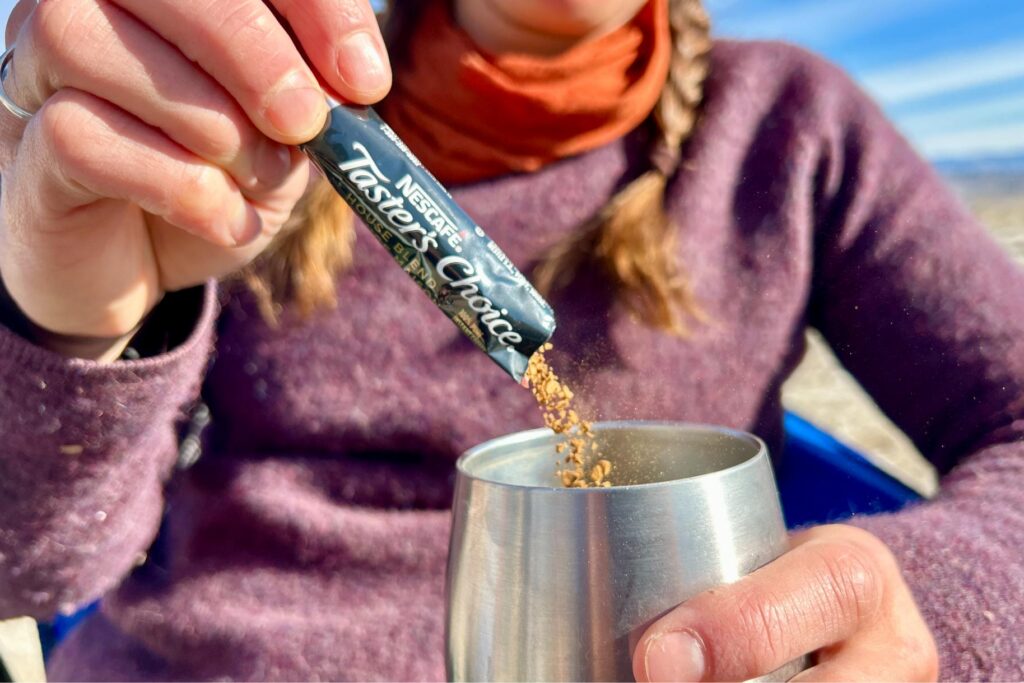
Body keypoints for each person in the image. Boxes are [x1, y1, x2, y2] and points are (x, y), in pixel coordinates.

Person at [0, 0, 1020, 679]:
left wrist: (909, 602)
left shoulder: (788, 127)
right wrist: (65, 327)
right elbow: (27, 573)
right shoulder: (235, 126)